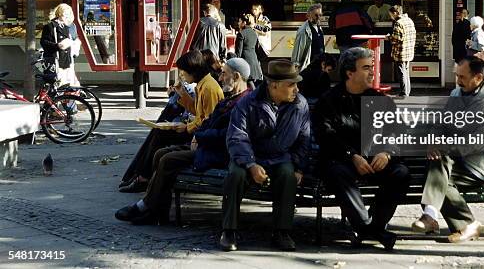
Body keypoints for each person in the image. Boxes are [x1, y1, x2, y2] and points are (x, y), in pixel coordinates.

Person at [115, 58, 252, 225]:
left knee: (167, 158)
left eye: (224, 74)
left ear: (236, 76)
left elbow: (227, 134)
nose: (221, 77)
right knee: (160, 152)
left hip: (218, 152)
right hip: (206, 144)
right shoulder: (230, 96)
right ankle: (155, 209)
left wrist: (196, 134)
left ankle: (147, 205)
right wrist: (194, 128)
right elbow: (207, 120)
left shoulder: (242, 102)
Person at [313, 47, 410, 250]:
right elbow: (326, 137)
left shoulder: (381, 101)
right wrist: (352, 156)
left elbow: (396, 132)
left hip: (375, 161)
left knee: (400, 173)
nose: (372, 72)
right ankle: (372, 230)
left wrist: (387, 152)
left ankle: (372, 227)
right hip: (341, 162)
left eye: (372, 67)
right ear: (350, 72)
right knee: (337, 172)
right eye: (366, 68)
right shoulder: (329, 101)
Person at [411, 56, 484, 243]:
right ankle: (450, 221)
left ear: (479, 77)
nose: (458, 81)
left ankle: (439, 217)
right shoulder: (457, 93)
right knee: (437, 165)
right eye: (457, 76)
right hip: (456, 159)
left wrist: (448, 148)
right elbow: (442, 123)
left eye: (462, 77)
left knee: (437, 167)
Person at [220, 60, 310, 252]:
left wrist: (299, 166)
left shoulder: (300, 104)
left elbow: (304, 139)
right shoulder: (248, 102)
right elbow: (237, 136)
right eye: (291, 84)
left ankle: (281, 232)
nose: (296, 89)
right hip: (250, 156)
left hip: (280, 157)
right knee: (236, 174)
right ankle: (229, 230)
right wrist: (251, 164)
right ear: (274, 85)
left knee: (288, 174)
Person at [118, 50, 224, 193]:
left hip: (200, 137)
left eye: (183, 72)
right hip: (196, 131)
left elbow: (209, 121)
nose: (181, 75)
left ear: (193, 71)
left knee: (160, 136)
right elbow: (198, 111)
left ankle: (144, 178)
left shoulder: (209, 88)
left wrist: (187, 127)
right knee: (158, 132)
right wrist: (183, 95)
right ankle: (142, 175)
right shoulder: (203, 84)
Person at [40, 3, 79, 87]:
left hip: (68, 60)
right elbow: (44, 42)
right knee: (56, 85)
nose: (67, 16)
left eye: (69, 13)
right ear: (59, 14)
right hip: (55, 61)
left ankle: (67, 99)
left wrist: (74, 46)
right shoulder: (50, 26)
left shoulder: (71, 26)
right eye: (65, 13)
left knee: (68, 85)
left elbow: (75, 39)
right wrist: (57, 46)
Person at [387, 5, 416, 97]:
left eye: (391, 14)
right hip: (409, 50)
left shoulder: (398, 23)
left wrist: (388, 37)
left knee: (401, 72)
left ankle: (404, 92)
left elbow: (396, 39)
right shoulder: (409, 20)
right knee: (406, 72)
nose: (391, 16)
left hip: (401, 51)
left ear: (395, 13)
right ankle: (407, 91)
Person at [291, 3, 324, 71]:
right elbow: (298, 51)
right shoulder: (303, 30)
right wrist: (296, 67)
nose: (318, 17)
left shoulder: (319, 27)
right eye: (316, 15)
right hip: (309, 67)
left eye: (320, 15)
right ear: (309, 15)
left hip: (319, 65)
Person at [235, 13, 263, 84]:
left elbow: (238, 53)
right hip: (255, 64)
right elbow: (257, 50)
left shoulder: (241, 34)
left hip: (245, 64)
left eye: (240, 21)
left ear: (244, 23)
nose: (238, 23)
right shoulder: (254, 33)